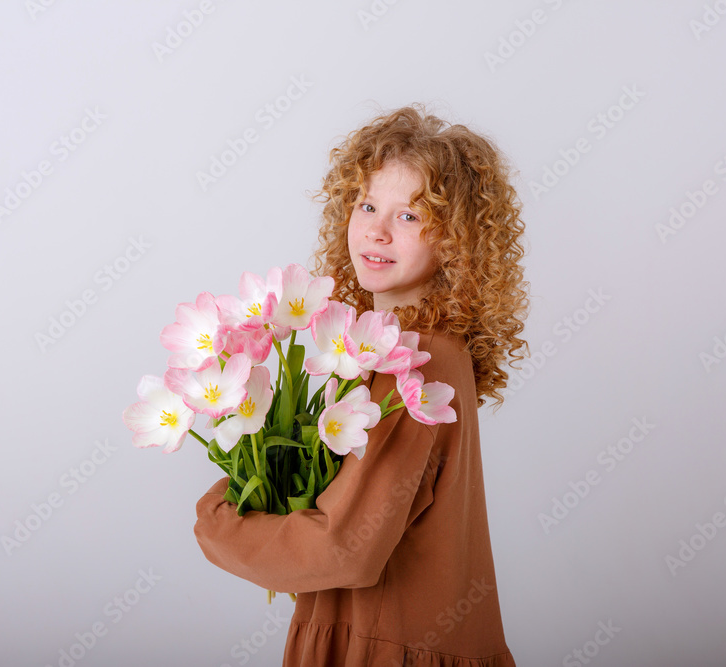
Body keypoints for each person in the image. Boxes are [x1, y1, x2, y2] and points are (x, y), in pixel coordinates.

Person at [194, 103, 529, 667]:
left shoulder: (416, 359)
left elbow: (343, 548)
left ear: (456, 241)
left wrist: (219, 518)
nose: (375, 229)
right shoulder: (391, 350)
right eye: (368, 204)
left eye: (409, 215)